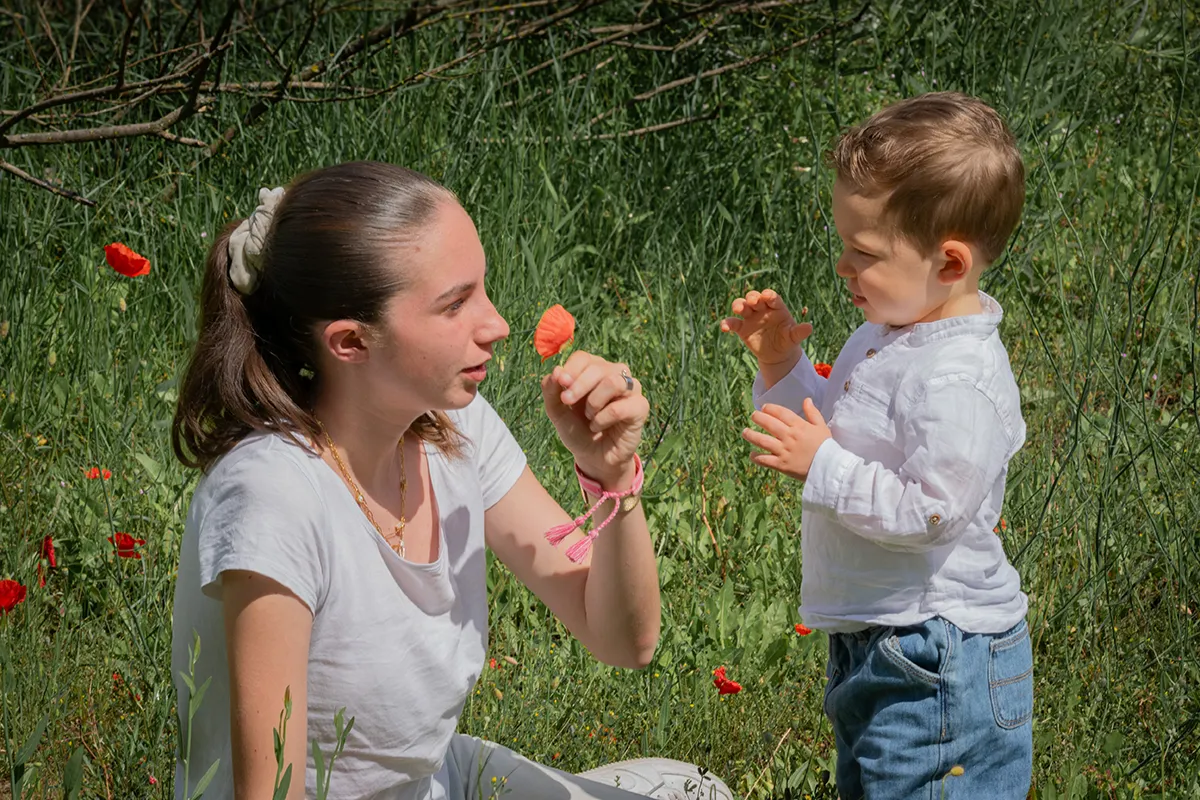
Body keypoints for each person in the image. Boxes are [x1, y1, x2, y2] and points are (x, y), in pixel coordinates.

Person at [169, 162, 733, 800]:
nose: (497, 325)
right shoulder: (274, 495)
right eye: (455, 304)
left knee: (699, 789)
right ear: (351, 342)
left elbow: (623, 639)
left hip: (444, 781)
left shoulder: (455, 428)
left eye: (482, 291)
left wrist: (612, 477)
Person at [722, 93, 1033, 799]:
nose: (841, 267)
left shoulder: (956, 377)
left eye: (862, 254)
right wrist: (779, 364)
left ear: (948, 264)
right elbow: (828, 426)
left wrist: (823, 465)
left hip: (938, 651)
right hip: (882, 638)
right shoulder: (891, 333)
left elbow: (933, 513)